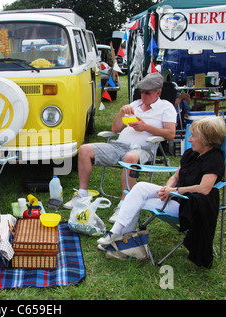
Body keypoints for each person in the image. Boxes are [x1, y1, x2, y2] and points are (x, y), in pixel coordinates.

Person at [97, 116, 226, 268]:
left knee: (137, 201)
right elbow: (176, 176)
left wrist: (175, 191)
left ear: (206, 139)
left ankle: (121, 238)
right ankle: (118, 234)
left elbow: (204, 189)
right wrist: (167, 189)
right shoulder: (191, 154)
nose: (189, 140)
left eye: (193, 136)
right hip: (175, 196)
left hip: (190, 205)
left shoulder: (214, 159)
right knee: (139, 188)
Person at [64, 72, 177, 224]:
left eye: (147, 93)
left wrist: (146, 127)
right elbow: (115, 129)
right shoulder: (135, 105)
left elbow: (170, 134)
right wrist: (121, 112)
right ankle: (82, 194)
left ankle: (125, 204)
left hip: (143, 149)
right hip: (118, 145)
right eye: (142, 92)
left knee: (130, 157)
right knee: (84, 149)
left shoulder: (166, 107)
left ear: (158, 92)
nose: (143, 95)